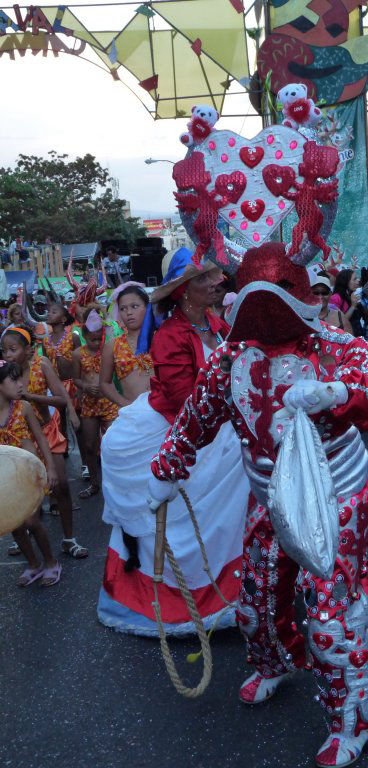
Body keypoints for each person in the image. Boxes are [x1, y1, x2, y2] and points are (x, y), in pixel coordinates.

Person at [147, 240, 368, 767]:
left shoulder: (337, 347)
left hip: (336, 494)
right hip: (268, 494)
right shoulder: (229, 360)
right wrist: (166, 469)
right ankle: (275, 661)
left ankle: (352, 719)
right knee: (258, 599)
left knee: (333, 618)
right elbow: (195, 417)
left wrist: (340, 395)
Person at [97, 249, 249, 636]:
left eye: (215, 275)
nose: (217, 282)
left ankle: (242, 589)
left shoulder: (217, 324)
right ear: (182, 292)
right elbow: (185, 400)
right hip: (187, 427)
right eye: (204, 278)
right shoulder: (170, 335)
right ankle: (184, 601)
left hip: (219, 422)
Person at [1, 326, 88, 557]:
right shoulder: (4, 376)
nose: (8, 355)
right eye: (4, 350)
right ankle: (23, 532)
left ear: (28, 350)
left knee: (60, 485)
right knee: (20, 491)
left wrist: (32, 397)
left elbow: (61, 398)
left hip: (46, 432)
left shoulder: (42, 365)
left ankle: (69, 539)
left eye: (13, 349)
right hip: (19, 438)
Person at [0, 360, 61, 587]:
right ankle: (33, 564)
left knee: (32, 521)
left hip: (29, 476)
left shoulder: (23, 407)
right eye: (13, 380)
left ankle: (51, 562)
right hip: (6, 479)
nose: (20, 384)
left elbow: (42, 438)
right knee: (14, 524)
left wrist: (50, 467)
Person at [71, 313, 119, 499]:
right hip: (89, 404)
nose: (96, 343)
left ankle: (115, 484)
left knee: (113, 446)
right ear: (84, 336)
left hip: (109, 402)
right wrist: (85, 386)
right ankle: (94, 484)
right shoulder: (77, 354)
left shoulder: (109, 350)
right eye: (92, 339)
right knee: (90, 446)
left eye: (99, 339)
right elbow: (75, 379)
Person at [99, 283, 153, 408]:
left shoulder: (162, 338)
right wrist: (127, 406)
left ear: (147, 307)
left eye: (134, 306)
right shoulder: (112, 346)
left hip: (164, 412)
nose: (128, 312)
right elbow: (104, 383)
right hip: (133, 415)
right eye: (123, 308)